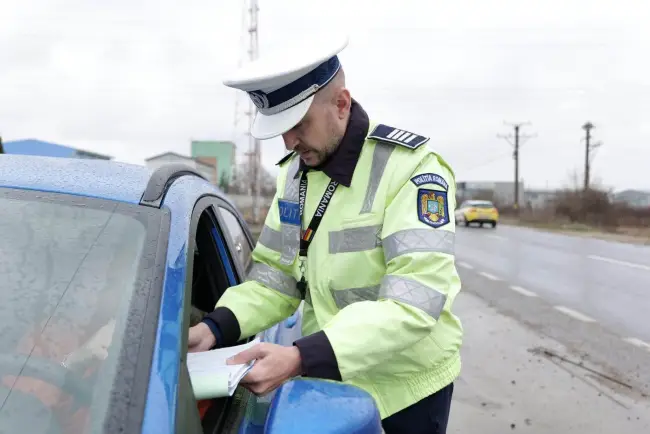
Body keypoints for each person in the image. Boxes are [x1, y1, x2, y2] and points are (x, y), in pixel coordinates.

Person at [188, 33, 463, 434]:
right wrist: (215, 328)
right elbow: (275, 278)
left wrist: (300, 357)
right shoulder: (295, 174)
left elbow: (415, 303)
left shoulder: (413, 172)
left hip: (407, 389)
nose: (288, 141)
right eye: (280, 129)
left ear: (341, 104)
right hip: (330, 378)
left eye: (298, 124)